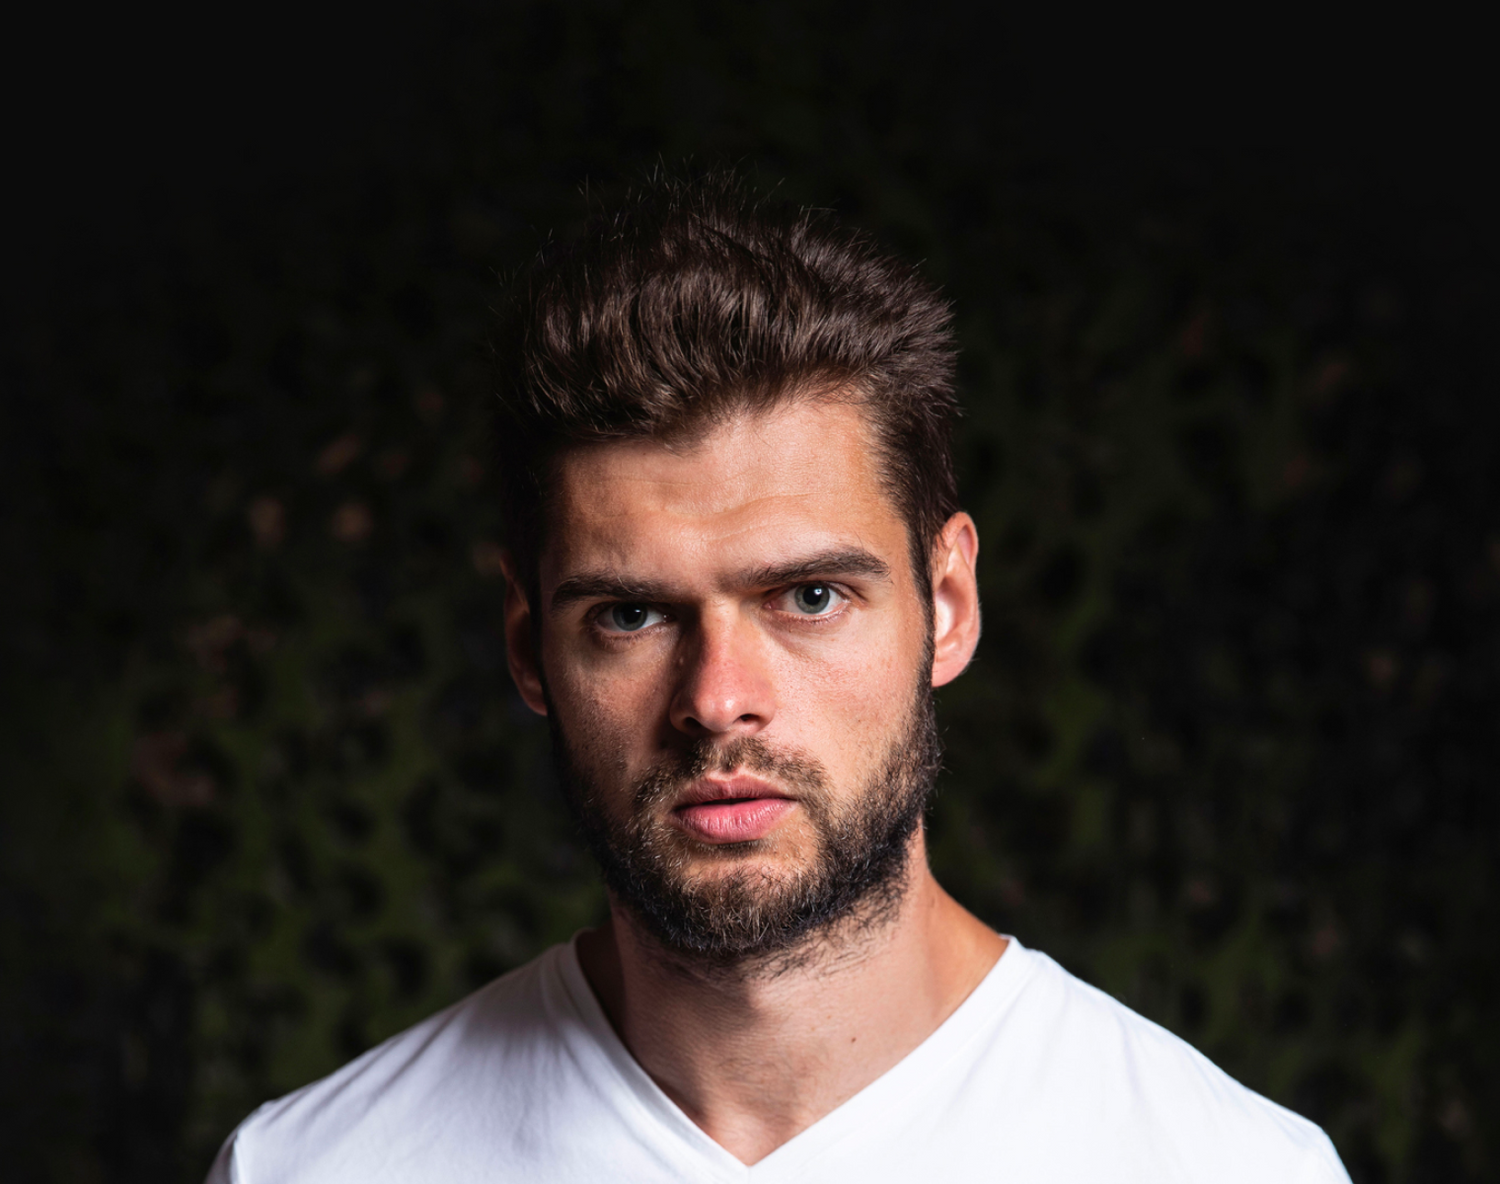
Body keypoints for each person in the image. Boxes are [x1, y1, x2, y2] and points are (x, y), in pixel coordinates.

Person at [207, 175, 1350, 1182]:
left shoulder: (1231, 1167)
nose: (717, 697)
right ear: (528, 651)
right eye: (632, 613)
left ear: (946, 606)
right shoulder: (310, 1167)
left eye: (808, 596)